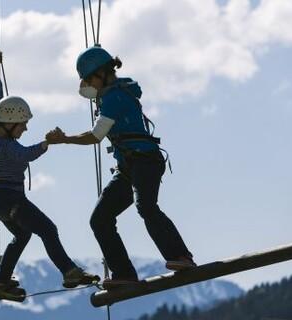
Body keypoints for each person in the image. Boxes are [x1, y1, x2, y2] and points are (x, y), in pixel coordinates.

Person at [48, 46, 196, 289]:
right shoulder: (113, 94)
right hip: (129, 166)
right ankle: (124, 273)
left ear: (100, 74)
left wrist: (65, 139)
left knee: (146, 207)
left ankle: (180, 256)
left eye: (87, 79)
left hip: (144, 162)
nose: (86, 85)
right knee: (100, 219)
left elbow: (96, 135)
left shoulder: (114, 97)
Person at [0, 52, 99, 295]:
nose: (26, 127)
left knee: (23, 235)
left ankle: (3, 280)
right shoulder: (7, 148)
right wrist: (48, 143)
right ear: (9, 123)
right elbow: (27, 155)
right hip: (10, 199)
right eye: (23, 124)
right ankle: (69, 273)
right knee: (48, 229)